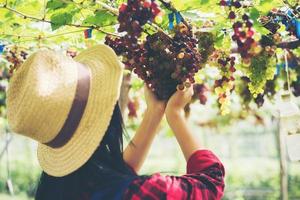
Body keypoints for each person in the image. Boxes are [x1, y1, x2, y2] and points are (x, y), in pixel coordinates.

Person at [6, 44, 225, 200]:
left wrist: (154, 113)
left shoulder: (57, 190)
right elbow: (210, 183)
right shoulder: (143, 191)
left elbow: (116, 182)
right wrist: (175, 115)